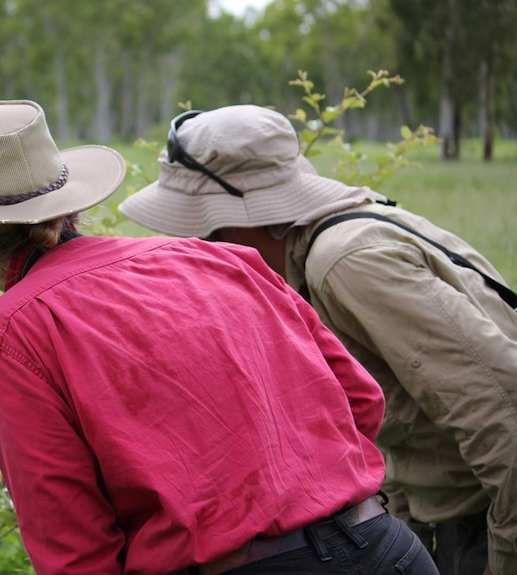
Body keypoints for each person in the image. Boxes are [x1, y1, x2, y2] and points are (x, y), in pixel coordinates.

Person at [0, 99, 437, 575]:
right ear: (72, 206)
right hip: (390, 548)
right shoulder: (219, 259)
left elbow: (74, 546)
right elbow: (360, 399)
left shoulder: (10, 332)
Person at [118, 103, 517, 575]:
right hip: (451, 520)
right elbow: (409, 416)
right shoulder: (320, 253)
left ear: (252, 215)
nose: (199, 245)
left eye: (203, 226)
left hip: (486, 525)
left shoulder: (347, 262)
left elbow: (502, 408)